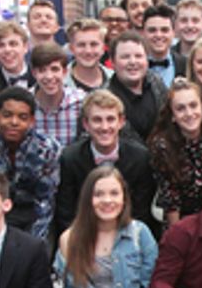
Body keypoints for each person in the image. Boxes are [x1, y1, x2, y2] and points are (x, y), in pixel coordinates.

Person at [54, 91, 154, 244]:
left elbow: (141, 211)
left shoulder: (140, 157)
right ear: (86, 124)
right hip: (83, 236)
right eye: (97, 120)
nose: (104, 127)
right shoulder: (70, 158)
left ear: (121, 122)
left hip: (128, 237)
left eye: (110, 119)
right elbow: (66, 212)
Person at [0, 89, 58, 239]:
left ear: (32, 120)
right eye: (7, 115)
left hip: (32, 214)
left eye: (22, 117)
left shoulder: (47, 149)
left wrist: (34, 244)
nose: (14, 122)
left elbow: (45, 202)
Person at [148, 78, 202, 226]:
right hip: (182, 219)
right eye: (180, 108)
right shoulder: (162, 146)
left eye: (193, 105)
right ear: (172, 115)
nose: (189, 113)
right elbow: (171, 200)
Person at [105, 31, 168, 143]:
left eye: (138, 56)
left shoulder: (157, 84)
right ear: (113, 62)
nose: (133, 62)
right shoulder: (103, 97)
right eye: (125, 57)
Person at [29, 42, 83, 150]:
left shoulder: (80, 102)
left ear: (64, 71)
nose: (49, 76)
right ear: (34, 73)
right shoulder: (24, 102)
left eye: (54, 69)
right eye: (42, 70)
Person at [143, 3, 186, 89]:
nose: (158, 35)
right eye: (152, 30)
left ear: (173, 33)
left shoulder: (186, 65)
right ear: (143, 33)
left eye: (164, 30)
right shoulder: (135, 65)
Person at [66, 18, 110, 92]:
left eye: (94, 44)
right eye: (81, 45)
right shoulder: (59, 83)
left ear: (103, 48)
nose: (88, 51)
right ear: (71, 49)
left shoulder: (117, 80)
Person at [0, 20, 35, 92]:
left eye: (13, 44)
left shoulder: (39, 78)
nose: (7, 50)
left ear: (25, 47)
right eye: (1, 45)